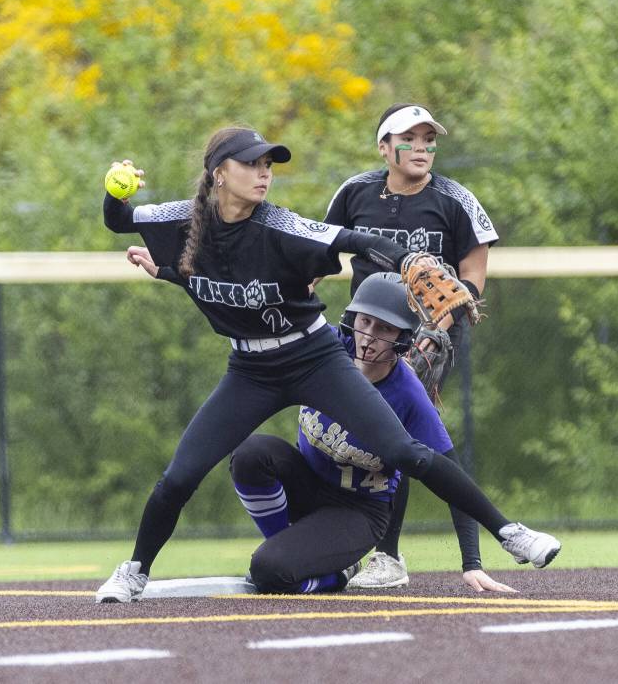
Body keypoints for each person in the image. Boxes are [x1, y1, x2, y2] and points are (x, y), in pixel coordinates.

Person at [94, 126, 559, 603]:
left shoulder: (280, 225)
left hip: (312, 357)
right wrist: (115, 190)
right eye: (251, 164)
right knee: (179, 476)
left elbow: (353, 239)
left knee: (404, 451)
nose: (263, 174)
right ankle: (134, 571)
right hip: (250, 370)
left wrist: (407, 261)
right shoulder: (181, 219)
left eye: (268, 165)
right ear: (218, 174)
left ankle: (510, 532)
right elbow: (118, 220)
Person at [127, 250, 515, 593]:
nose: (369, 336)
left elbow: (451, 474)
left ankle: (332, 574)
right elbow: (251, 304)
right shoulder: (323, 351)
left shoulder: (406, 391)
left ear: (404, 338)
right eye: (365, 322)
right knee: (251, 453)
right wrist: (173, 271)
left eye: (384, 329)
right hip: (309, 489)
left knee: (269, 572)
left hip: (358, 513)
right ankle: (294, 551)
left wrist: (472, 563)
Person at [322, 104, 497, 588]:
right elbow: (322, 251)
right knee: (340, 430)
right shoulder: (355, 192)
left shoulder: (454, 198)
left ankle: (390, 555)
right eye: (409, 138)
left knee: (398, 431)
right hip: (364, 329)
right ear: (384, 147)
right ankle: (343, 541)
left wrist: (443, 321)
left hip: (430, 334)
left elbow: (473, 272)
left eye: (428, 139)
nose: (421, 147)